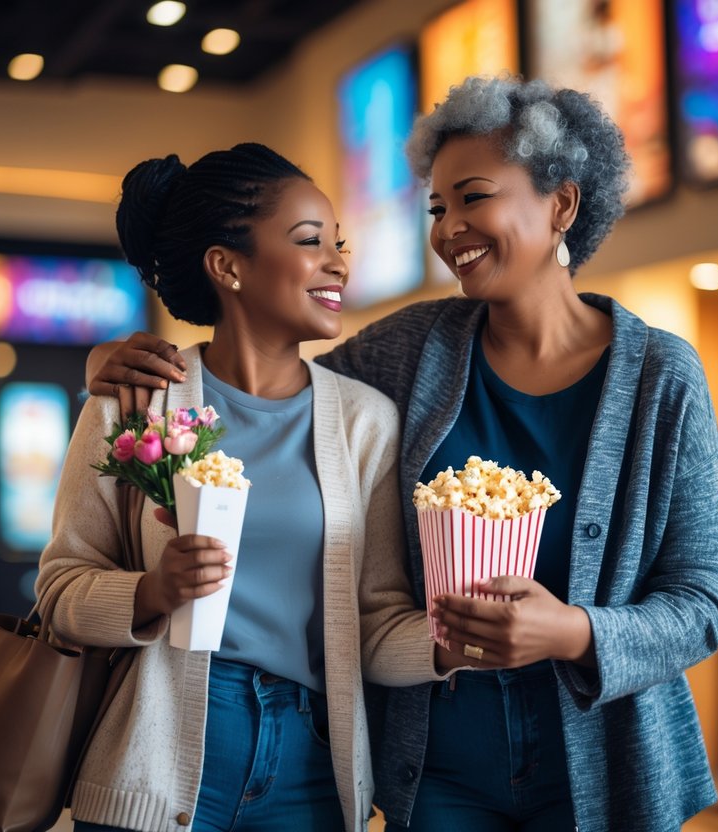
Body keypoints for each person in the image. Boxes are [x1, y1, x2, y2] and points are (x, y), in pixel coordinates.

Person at [88, 77, 718, 831]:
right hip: (439, 760)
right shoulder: (411, 348)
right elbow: (267, 381)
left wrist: (572, 632)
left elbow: (702, 602)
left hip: (600, 755)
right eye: (436, 208)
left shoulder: (660, 376)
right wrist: (116, 361)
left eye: (472, 198)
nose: (449, 228)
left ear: (561, 204)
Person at [37, 142, 438, 832]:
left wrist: (450, 645)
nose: (338, 263)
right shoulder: (136, 403)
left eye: (338, 243)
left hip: (309, 767)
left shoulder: (365, 423)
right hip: (151, 761)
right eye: (310, 241)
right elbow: (58, 592)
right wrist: (151, 592)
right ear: (227, 266)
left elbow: (372, 624)